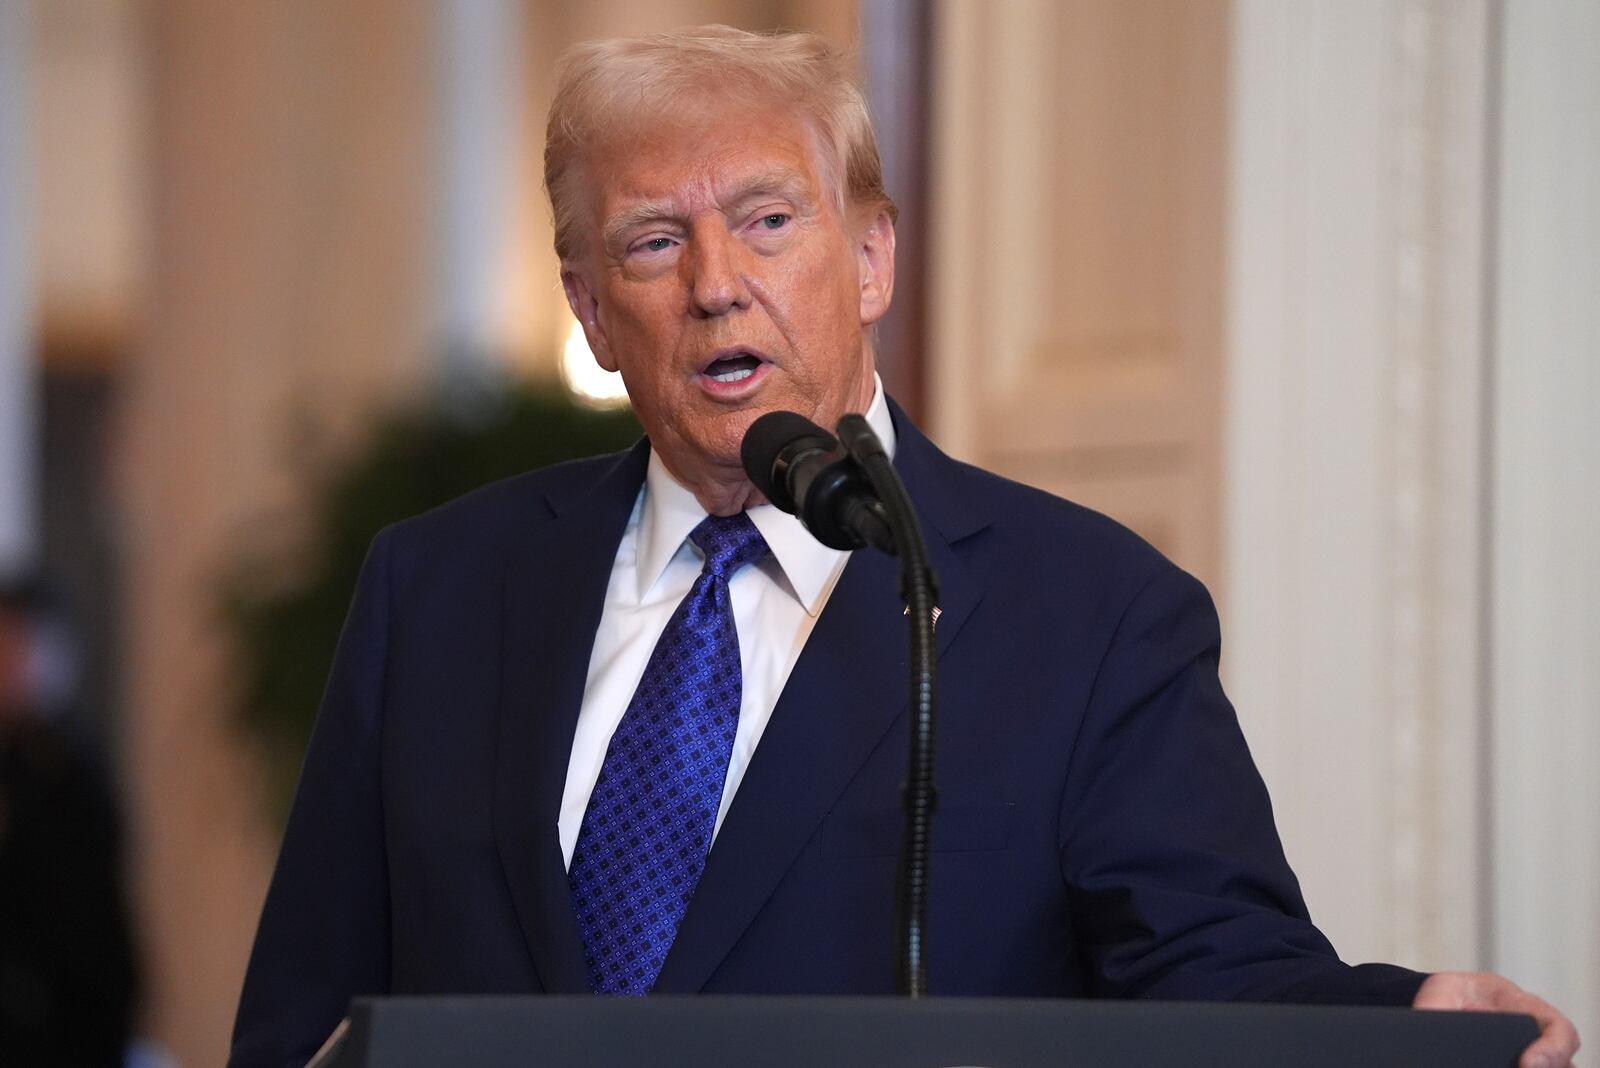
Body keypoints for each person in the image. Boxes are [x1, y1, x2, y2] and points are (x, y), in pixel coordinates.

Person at [230, 25, 1579, 1068]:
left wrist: (1405, 1020)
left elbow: (1214, 971)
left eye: (769, 220)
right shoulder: (441, 590)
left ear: (871, 258)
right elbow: (306, 1021)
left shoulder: (1089, 613)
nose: (716, 284)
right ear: (590, 311)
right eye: (654, 242)